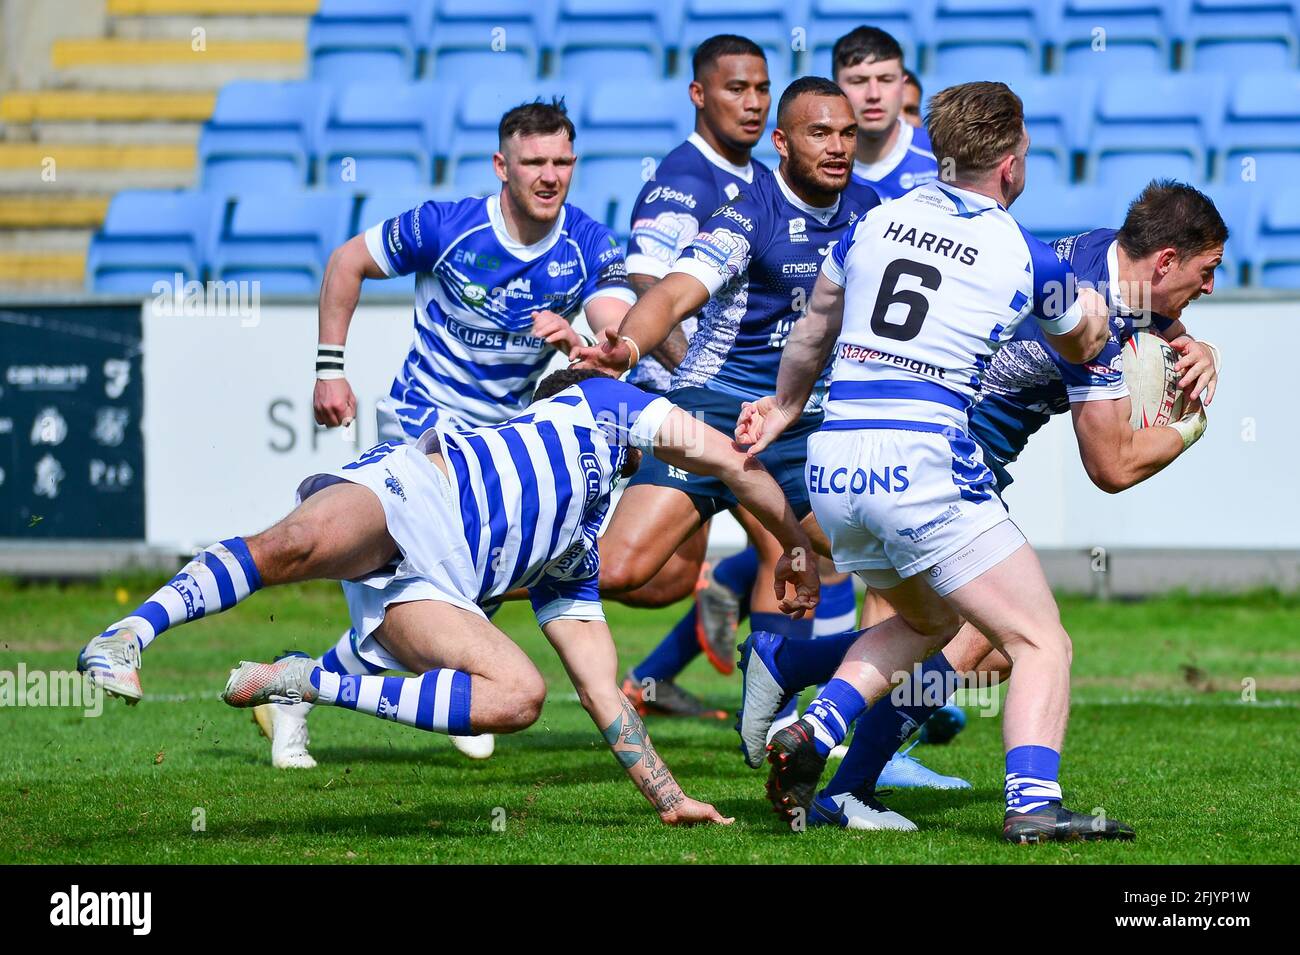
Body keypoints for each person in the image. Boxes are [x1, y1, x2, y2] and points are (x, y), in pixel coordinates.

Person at [77, 368, 820, 827]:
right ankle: (127, 635)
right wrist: (795, 544)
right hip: (416, 492)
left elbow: (602, 693)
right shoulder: (598, 401)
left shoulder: (574, 556)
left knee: (520, 696)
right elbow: (725, 457)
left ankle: (304, 680)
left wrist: (667, 796)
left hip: (437, 590)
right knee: (289, 548)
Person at [736, 179, 1225, 830]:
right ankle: (849, 780)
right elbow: (1111, 465)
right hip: (951, 454)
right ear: (1165, 260)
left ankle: (794, 670)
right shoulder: (1098, 308)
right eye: (1207, 271)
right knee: (988, 643)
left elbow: (1160, 317)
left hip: (909, 446)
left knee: (980, 648)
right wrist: (1192, 429)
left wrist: (1197, 344)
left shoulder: (1108, 256)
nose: (1212, 286)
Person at [275, 98, 637, 767]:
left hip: (502, 446)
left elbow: (617, 340)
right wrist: (330, 369)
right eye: (534, 162)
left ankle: (303, 682)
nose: (549, 175)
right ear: (503, 165)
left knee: (464, 593)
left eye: (561, 161)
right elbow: (346, 262)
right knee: (431, 592)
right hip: (423, 433)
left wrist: (583, 340)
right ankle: (333, 684)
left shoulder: (588, 242)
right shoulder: (447, 226)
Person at [572, 77, 880, 716]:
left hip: (804, 424)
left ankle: (788, 714)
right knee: (628, 572)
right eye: (819, 133)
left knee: (872, 557)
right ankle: (483, 576)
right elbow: (674, 291)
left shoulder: (872, 212)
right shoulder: (749, 211)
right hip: (711, 407)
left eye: (847, 133)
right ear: (782, 143)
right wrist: (626, 350)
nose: (838, 147)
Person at [834, 27, 938, 199]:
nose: (874, 95)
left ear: (902, 85)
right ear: (836, 88)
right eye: (859, 81)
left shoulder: (941, 156)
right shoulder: (816, 165)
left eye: (886, 80)